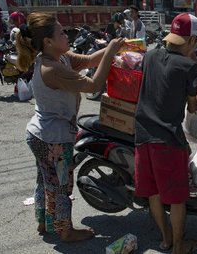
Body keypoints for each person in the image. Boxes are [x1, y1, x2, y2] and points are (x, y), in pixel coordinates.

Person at [15, 12, 125, 242]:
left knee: (45, 180)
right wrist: (112, 52)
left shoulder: (59, 58)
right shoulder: (51, 68)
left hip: (40, 133)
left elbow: (88, 61)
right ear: (48, 41)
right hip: (53, 138)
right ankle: (65, 231)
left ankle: (43, 223)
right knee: (62, 186)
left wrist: (118, 47)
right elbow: (94, 83)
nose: (67, 35)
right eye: (62, 32)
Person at [134, 13, 197, 254]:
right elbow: (193, 107)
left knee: (154, 192)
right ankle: (178, 247)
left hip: (142, 136)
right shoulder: (189, 66)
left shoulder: (150, 56)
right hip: (168, 140)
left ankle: (165, 239)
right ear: (192, 40)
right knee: (176, 198)